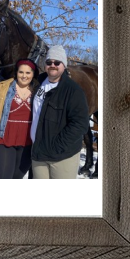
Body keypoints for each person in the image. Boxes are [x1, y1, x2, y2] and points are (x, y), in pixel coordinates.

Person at [30, 45, 89, 179]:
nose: (53, 65)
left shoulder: (73, 91)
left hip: (61, 156)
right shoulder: (38, 84)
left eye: (57, 62)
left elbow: (80, 124)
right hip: (38, 153)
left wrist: (57, 145)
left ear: (64, 65)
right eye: (49, 62)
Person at [0, 59, 39, 178]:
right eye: (21, 72)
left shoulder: (38, 90)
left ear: (33, 74)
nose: (24, 76)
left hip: (28, 142)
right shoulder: (2, 87)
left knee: (17, 176)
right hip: (3, 138)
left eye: (28, 73)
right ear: (16, 72)